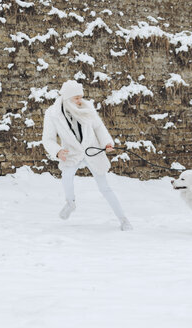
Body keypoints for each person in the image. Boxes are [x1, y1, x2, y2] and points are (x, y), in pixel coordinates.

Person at [42, 80, 133, 231]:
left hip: (92, 150)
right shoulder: (52, 113)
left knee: (105, 187)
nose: (79, 100)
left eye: (81, 97)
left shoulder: (87, 108)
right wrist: (57, 151)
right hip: (71, 153)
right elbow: (48, 138)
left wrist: (106, 143)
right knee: (67, 176)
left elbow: (98, 127)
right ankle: (70, 203)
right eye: (76, 97)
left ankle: (123, 220)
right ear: (67, 98)